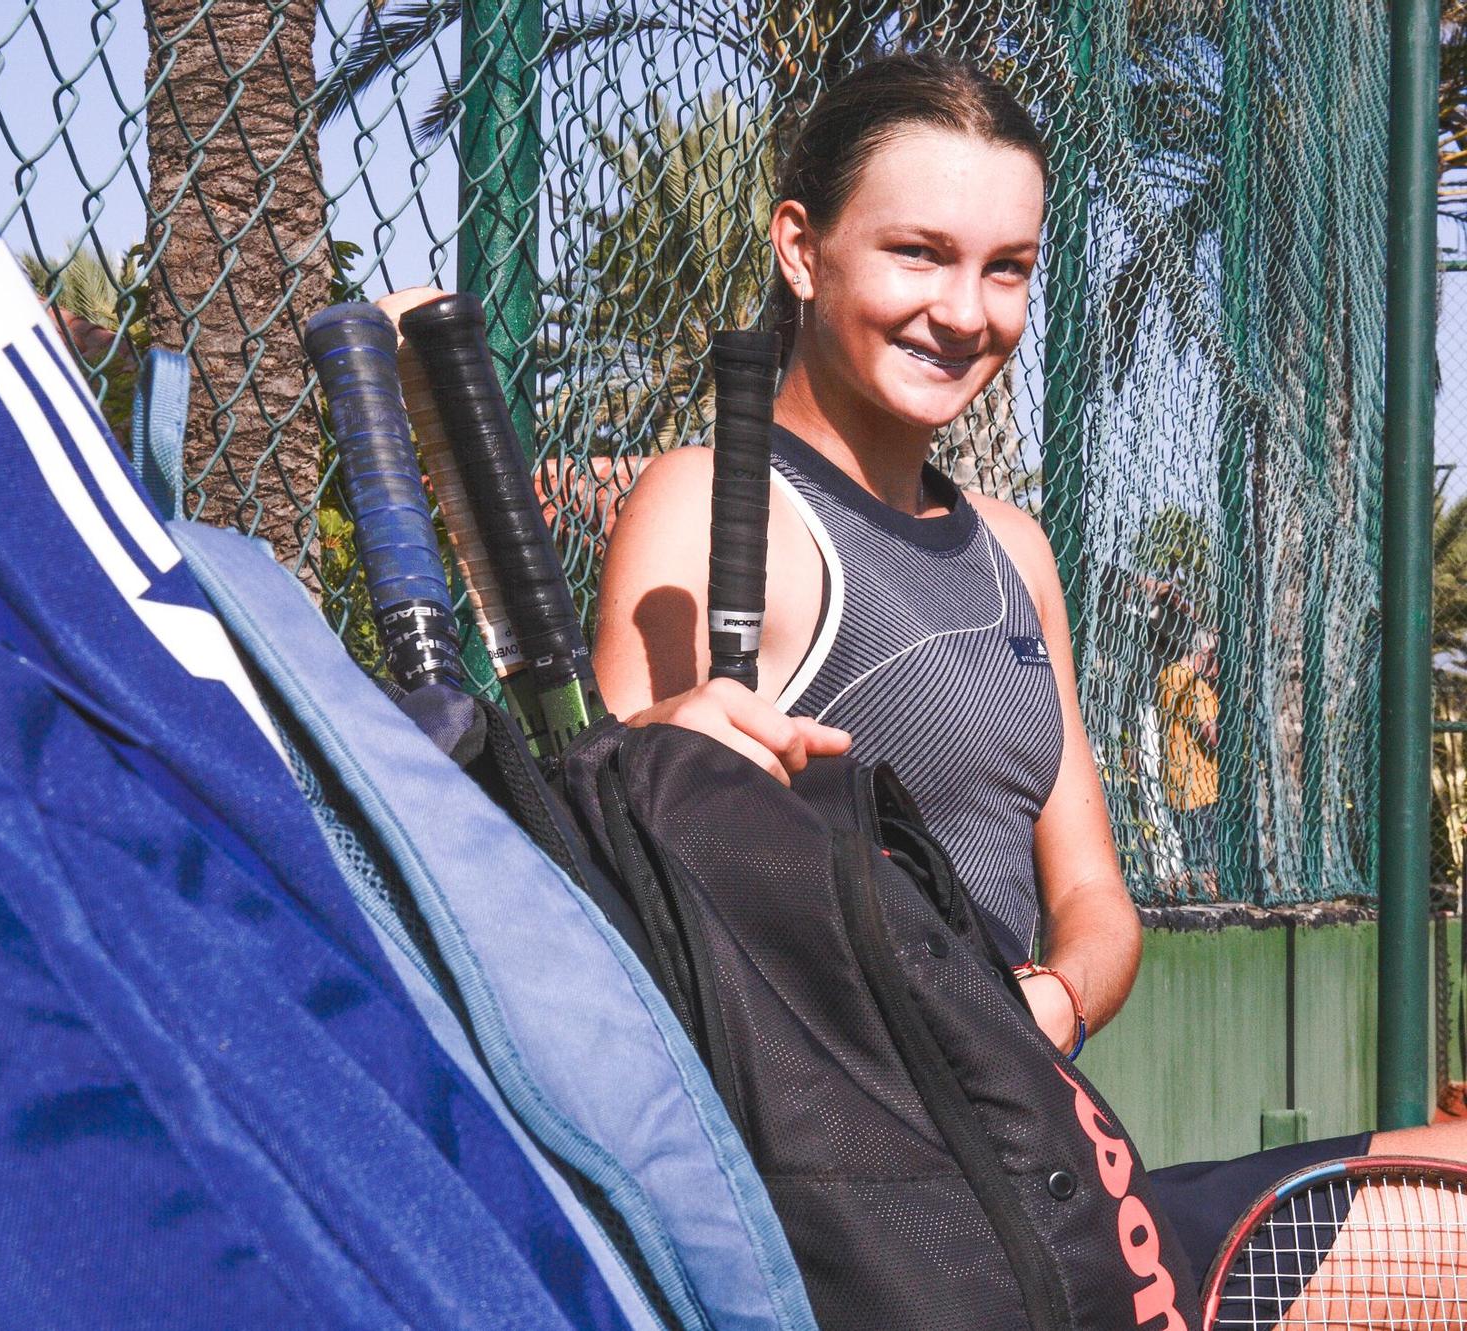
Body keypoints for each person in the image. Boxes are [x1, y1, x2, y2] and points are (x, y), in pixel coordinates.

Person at [584, 48, 1467, 1321]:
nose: (965, 310)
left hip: (1047, 1173)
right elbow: (620, 864)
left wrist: (1034, 1005)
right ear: (798, 248)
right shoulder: (716, 506)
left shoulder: (1014, 550)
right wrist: (659, 741)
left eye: (1005, 269)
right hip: (903, 1237)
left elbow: (1095, 902)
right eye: (918, 253)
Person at [1157, 628, 1220, 882]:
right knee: (1208, 864)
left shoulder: (1166, 676)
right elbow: (1212, 737)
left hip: (1174, 783)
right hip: (1202, 787)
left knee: (1191, 856)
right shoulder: (1198, 688)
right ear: (1205, 653)